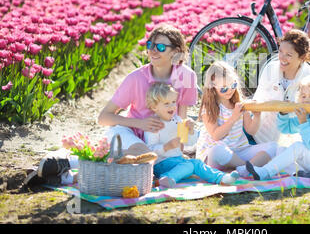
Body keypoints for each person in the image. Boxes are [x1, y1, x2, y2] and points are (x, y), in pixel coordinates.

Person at [24, 24, 198, 187]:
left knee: (141, 171)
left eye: (160, 47)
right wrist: (140, 124)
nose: (152, 50)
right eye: (150, 44)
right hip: (128, 133)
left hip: (157, 142)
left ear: (175, 51)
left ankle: (64, 178)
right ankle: (66, 162)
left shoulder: (186, 76)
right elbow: (104, 118)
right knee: (143, 157)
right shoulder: (136, 78)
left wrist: (178, 152)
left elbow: (181, 120)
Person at [245, 75, 310, 180]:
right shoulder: (307, 115)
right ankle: (299, 172)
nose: (306, 100)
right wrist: (284, 114)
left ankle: (264, 172)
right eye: (303, 96)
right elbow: (285, 128)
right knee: (280, 150)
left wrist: (303, 123)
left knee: (298, 147)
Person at [145, 82, 238, 187]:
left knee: (196, 164)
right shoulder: (153, 124)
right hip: (161, 164)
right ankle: (165, 178)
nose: (172, 106)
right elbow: (149, 150)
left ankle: (222, 178)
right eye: (166, 104)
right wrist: (167, 147)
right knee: (190, 165)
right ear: (154, 107)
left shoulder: (177, 120)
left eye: (174, 102)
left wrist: (190, 130)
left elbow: (189, 142)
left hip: (178, 160)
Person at [196, 61, 277, 177]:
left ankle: (242, 170)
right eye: (224, 89)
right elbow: (216, 135)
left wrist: (257, 116)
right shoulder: (209, 107)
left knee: (273, 146)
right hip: (215, 156)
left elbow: (251, 130)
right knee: (217, 150)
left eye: (233, 85)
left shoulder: (238, 103)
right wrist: (233, 118)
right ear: (213, 85)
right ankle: (248, 167)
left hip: (239, 150)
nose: (230, 91)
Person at [250, 29, 310, 145]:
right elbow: (259, 99)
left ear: (302, 57)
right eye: (280, 52)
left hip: (295, 140)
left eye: (288, 55)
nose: (282, 58)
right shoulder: (270, 69)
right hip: (262, 135)